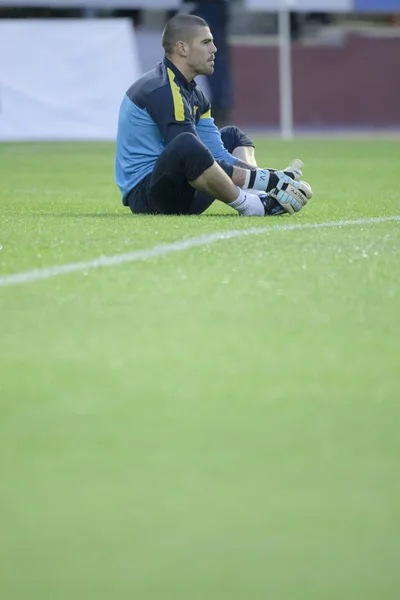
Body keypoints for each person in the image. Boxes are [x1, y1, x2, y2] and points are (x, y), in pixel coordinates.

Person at [115, 14, 313, 217]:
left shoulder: (194, 93)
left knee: (233, 136)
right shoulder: (162, 90)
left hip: (183, 189)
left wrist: (271, 179)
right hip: (150, 198)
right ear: (182, 48)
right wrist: (272, 179)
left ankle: (260, 193)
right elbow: (187, 152)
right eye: (206, 42)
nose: (214, 49)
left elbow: (218, 155)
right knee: (187, 143)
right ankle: (253, 206)